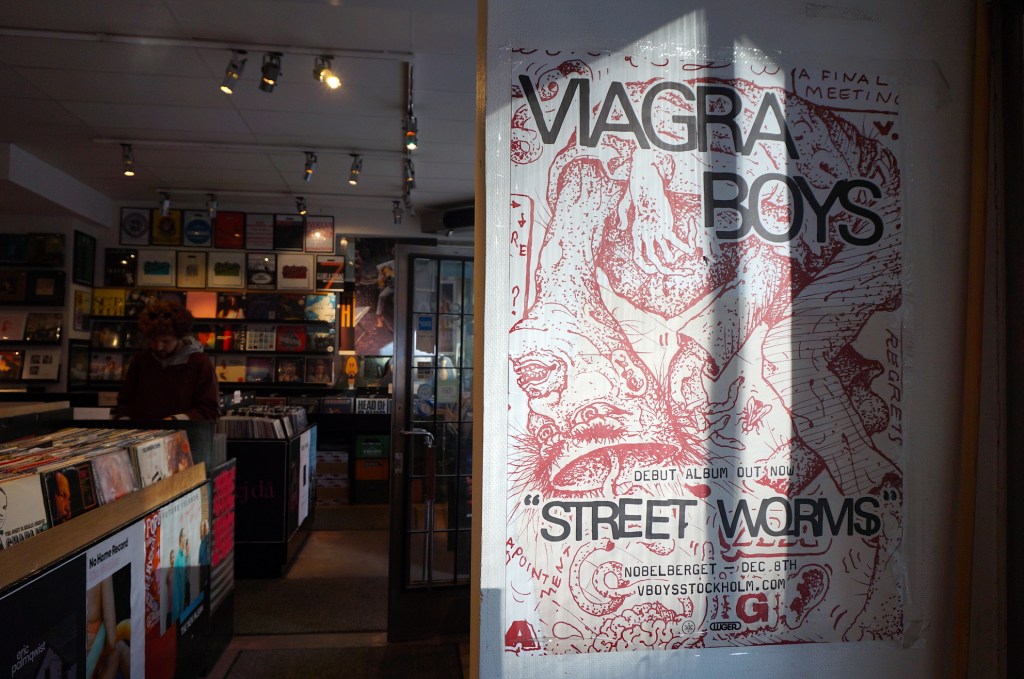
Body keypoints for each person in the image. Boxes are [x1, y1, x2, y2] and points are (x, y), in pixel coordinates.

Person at [113, 299, 220, 421]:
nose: (158, 347)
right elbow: (125, 401)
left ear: (180, 337)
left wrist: (175, 420)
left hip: (183, 431)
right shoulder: (141, 359)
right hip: (142, 431)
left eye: (165, 341)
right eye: (153, 340)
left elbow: (209, 410)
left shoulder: (198, 362)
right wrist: (124, 419)